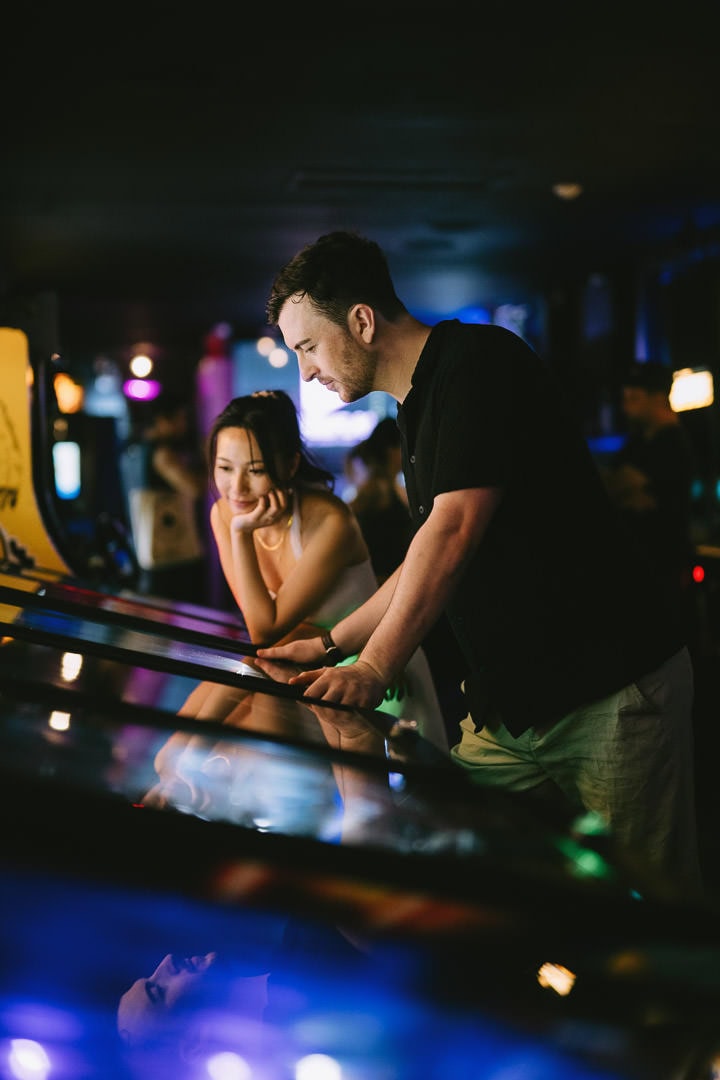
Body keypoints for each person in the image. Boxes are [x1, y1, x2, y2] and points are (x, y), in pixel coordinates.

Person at [256, 230, 703, 902]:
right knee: (468, 879)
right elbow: (421, 556)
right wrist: (330, 644)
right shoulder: (415, 407)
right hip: (515, 711)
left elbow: (455, 526)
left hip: (610, 692)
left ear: (362, 321)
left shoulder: (475, 363)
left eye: (308, 348)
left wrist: (374, 668)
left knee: (649, 907)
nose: (307, 372)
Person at [144, 390, 446, 809]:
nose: (236, 487)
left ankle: (179, 771)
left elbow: (263, 627)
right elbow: (266, 633)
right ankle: (177, 775)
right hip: (292, 667)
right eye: (224, 468)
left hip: (369, 664)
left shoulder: (329, 520)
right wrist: (237, 528)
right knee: (220, 720)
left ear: (289, 464)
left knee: (404, 805)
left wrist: (240, 535)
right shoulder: (225, 513)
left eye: (256, 469)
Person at [602, 361, 697, 642]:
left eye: (635, 396)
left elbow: (614, 486)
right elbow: (612, 488)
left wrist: (620, 487)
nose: (626, 402)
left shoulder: (671, 443)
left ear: (657, 396)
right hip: (640, 571)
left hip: (664, 567)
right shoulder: (636, 443)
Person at [121, 392, 207, 604]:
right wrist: (208, 461)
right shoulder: (162, 454)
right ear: (163, 420)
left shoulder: (132, 449)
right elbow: (194, 488)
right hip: (171, 553)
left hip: (143, 545)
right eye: (180, 418)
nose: (184, 424)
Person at [345, 415, 411, 585]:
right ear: (391, 450)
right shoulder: (380, 493)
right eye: (404, 446)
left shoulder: (383, 489)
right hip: (384, 584)